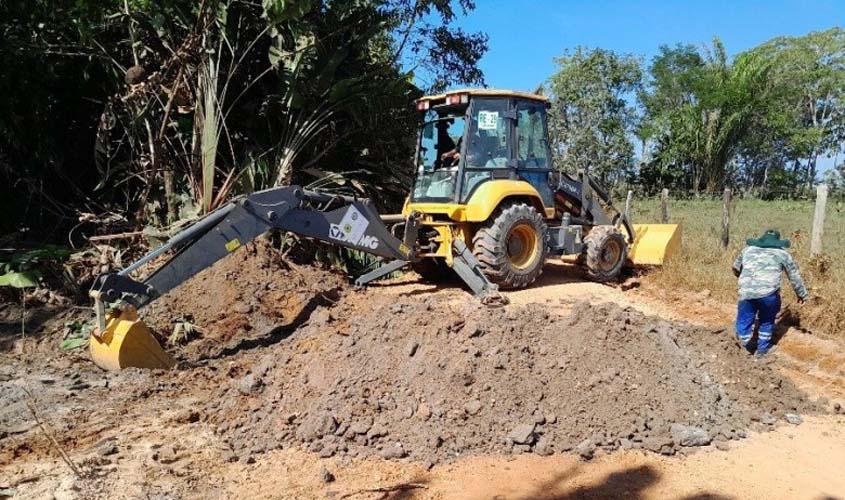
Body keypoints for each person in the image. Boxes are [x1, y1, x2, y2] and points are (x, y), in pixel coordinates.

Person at [732, 229, 808, 357]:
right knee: (766, 320)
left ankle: (741, 348)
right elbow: (794, 276)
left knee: (744, 320)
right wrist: (801, 294)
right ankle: (762, 350)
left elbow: (735, 267)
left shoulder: (747, 250)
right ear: (777, 242)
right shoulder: (783, 254)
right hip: (768, 294)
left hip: (746, 293)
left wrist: (745, 280)